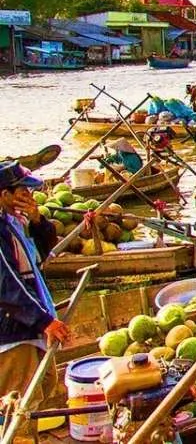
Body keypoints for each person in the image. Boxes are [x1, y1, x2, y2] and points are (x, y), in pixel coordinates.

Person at [0, 163, 70, 429]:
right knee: (18, 411)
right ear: (4, 194)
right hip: (13, 333)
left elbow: (42, 254)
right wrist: (44, 322)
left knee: (42, 388)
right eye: (22, 192)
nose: (28, 197)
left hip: (30, 323)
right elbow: (6, 285)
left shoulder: (14, 222)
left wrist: (38, 221)